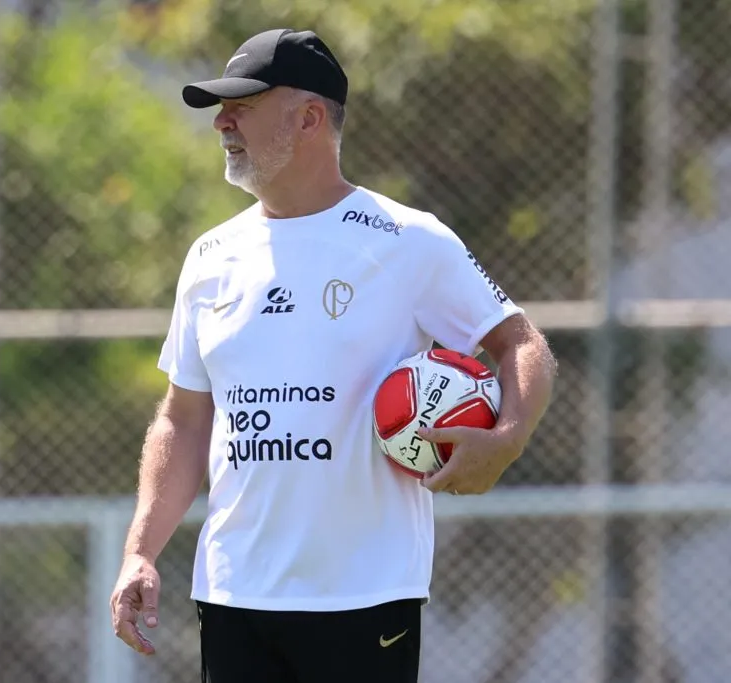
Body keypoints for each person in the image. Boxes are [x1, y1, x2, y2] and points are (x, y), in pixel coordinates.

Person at [109, 27, 557, 683]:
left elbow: (521, 343)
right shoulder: (210, 257)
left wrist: (508, 437)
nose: (222, 123)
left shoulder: (408, 240)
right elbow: (183, 418)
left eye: (242, 106)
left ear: (310, 118)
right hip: (233, 594)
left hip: (365, 595)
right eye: (220, 109)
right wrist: (141, 552)